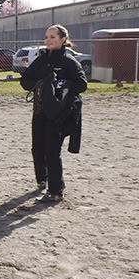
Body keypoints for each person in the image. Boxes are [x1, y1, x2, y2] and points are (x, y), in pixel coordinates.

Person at [21, 24, 87, 203]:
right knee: (38, 146)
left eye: (52, 37)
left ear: (63, 40)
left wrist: (61, 85)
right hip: (41, 109)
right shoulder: (41, 60)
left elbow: (82, 84)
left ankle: (56, 190)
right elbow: (25, 80)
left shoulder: (69, 62)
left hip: (59, 112)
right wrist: (40, 85)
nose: (48, 40)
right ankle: (43, 178)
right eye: (46, 37)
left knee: (52, 149)